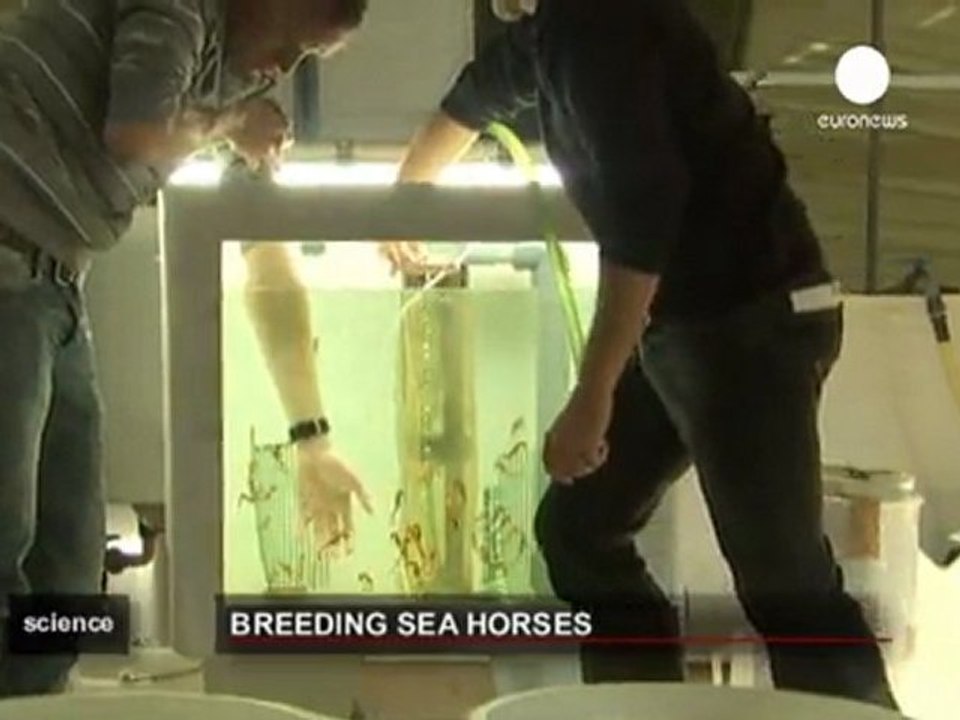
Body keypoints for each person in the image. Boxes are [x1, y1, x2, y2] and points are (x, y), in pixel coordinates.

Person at [395, 0, 899, 710]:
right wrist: (404, 199)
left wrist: (592, 394)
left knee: (782, 580)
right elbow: (476, 97)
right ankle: (643, 708)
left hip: (751, 318)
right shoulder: (554, 32)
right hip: (688, 326)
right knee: (579, 531)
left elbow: (644, 218)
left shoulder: (602, 25)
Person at [0, 0, 372, 697]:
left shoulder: (233, 78)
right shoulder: (181, 10)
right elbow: (136, 132)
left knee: (70, 571)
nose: (284, 69)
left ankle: (32, 699)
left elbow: (264, 256)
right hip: (9, 255)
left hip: (53, 281)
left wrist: (313, 438)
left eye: (306, 61)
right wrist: (231, 125)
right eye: (291, 45)